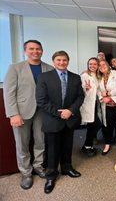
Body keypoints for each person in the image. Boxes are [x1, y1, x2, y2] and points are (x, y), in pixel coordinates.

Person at [3, 40, 54, 190]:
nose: (35, 51)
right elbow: (9, 93)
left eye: (38, 49)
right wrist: (13, 114)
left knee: (41, 141)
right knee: (22, 143)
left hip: (42, 112)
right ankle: (26, 173)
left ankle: (38, 166)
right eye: (31, 49)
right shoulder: (15, 68)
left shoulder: (49, 68)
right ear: (25, 51)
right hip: (22, 112)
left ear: (42, 51)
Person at [36, 50, 85, 194]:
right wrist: (60, 114)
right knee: (52, 149)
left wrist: (70, 111)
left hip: (70, 118)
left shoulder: (76, 78)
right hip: (53, 119)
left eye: (64, 60)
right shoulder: (44, 77)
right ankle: (51, 176)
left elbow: (80, 97)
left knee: (67, 146)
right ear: (53, 62)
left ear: (68, 61)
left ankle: (67, 168)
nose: (62, 62)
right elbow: (41, 100)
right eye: (58, 60)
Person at [98, 60, 116, 156]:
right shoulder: (99, 77)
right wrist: (102, 97)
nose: (102, 66)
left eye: (104, 64)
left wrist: (108, 94)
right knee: (108, 126)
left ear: (108, 65)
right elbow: (97, 90)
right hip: (107, 105)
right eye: (99, 65)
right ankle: (107, 144)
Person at [79, 57, 101, 157]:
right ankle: (87, 145)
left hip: (94, 103)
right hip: (87, 103)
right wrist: (85, 89)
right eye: (90, 64)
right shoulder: (85, 75)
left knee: (91, 126)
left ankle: (87, 146)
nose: (92, 66)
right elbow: (80, 91)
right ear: (88, 65)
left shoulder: (96, 76)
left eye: (94, 64)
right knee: (96, 124)